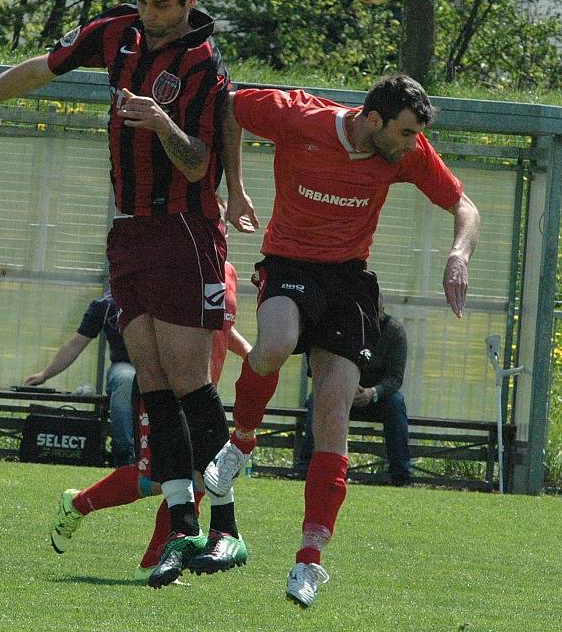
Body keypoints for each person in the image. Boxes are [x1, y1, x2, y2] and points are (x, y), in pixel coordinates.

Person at [0, 0, 253, 589]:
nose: (150, 15)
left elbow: (195, 162)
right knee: (151, 375)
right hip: (128, 233)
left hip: (184, 229)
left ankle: (227, 529)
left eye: (162, 5)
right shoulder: (118, 34)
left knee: (189, 380)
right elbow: (39, 68)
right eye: (143, 0)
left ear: (191, 0)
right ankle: (183, 527)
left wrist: (160, 121)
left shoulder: (202, 63)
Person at [204, 74, 480, 608]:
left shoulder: (406, 152)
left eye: (414, 135)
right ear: (372, 120)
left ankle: (309, 561)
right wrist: (234, 187)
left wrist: (458, 255)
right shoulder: (297, 116)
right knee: (277, 341)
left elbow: (466, 208)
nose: (410, 144)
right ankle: (240, 442)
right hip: (289, 264)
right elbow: (230, 106)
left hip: (350, 280)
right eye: (403, 133)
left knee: (334, 410)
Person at [48, 260, 252, 581]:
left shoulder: (227, 270)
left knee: (199, 477)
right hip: (163, 391)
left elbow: (223, 327)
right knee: (157, 480)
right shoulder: (174, 259)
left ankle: (153, 562)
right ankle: (78, 503)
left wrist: (256, 356)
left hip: (201, 393)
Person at [297, 297, 411, 486]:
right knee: (316, 400)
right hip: (340, 391)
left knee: (396, 403)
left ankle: (401, 475)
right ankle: (305, 467)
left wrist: (373, 392)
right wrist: (343, 386)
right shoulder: (341, 326)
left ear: (382, 307)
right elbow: (318, 364)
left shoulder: (394, 332)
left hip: (375, 398)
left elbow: (395, 378)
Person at [24, 289, 136, 468]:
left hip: (163, 366)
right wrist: (45, 374)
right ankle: (124, 457)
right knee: (126, 379)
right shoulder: (106, 304)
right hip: (126, 367)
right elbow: (75, 345)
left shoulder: (160, 295)